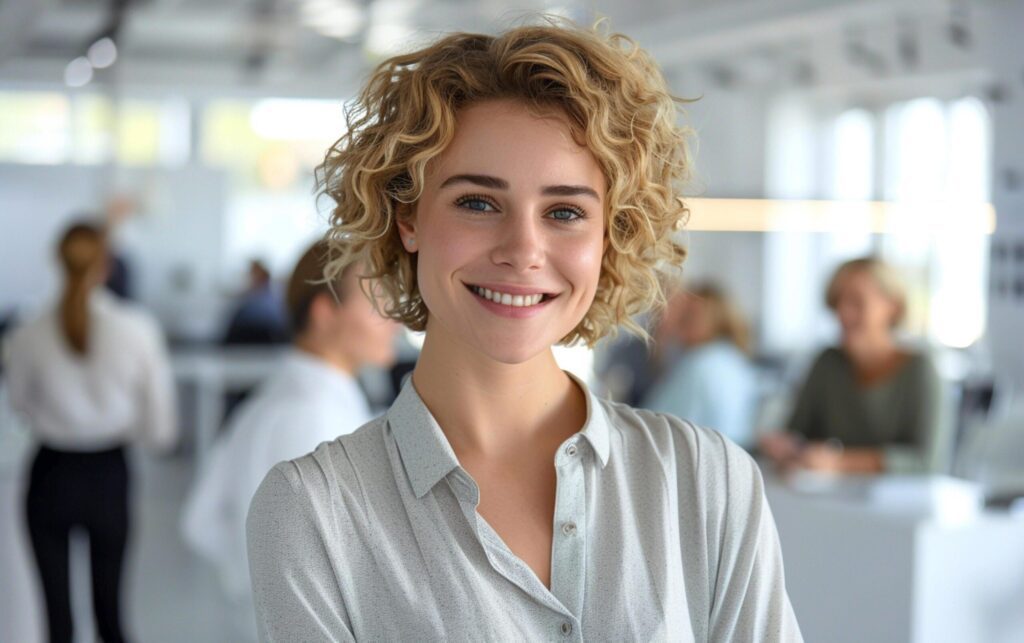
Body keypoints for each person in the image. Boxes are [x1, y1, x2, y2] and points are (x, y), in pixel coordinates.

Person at [246, 22, 802, 642]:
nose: (524, 250)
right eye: (478, 203)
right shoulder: (313, 511)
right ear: (409, 218)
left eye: (564, 212)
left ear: (606, 237)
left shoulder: (707, 479)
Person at [181, 240, 398, 606]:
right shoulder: (310, 415)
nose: (394, 319)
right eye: (378, 301)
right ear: (325, 312)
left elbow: (201, 521)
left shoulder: (295, 398)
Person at [4, 221, 177, 643]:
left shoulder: (26, 332)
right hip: (108, 474)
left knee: (56, 623)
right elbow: (162, 430)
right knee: (111, 616)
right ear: (106, 263)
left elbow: (20, 405)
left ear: (57, 261)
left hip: (50, 474)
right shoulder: (138, 329)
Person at [761, 257, 950, 475]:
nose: (843, 313)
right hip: (829, 501)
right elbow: (796, 435)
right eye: (837, 302)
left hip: (902, 504)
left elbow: (926, 462)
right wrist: (784, 447)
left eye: (857, 302)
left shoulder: (919, 369)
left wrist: (840, 463)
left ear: (892, 306)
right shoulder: (827, 363)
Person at [643, 282, 760, 449]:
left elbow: (650, 427)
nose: (680, 320)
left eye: (689, 315)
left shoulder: (699, 364)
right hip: (731, 457)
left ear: (714, 319)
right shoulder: (736, 360)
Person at [222, 259, 289, 345]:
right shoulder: (255, 297)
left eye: (253, 274)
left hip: (261, 334)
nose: (251, 277)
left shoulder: (266, 300)